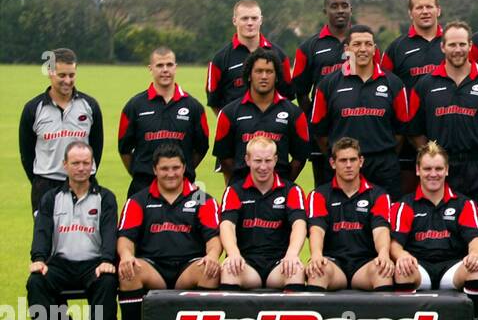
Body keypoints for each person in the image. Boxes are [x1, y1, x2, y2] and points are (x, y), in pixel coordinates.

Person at [116, 144, 222, 320]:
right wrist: (126, 256)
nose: (171, 173)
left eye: (175, 167)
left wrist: (212, 256)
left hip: (188, 267)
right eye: (164, 168)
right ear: (154, 169)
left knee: (210, 270)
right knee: (129, 270)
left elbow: (214, 237)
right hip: (153, 268)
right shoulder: (139, 199)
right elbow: (125, 237)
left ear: (184, 168)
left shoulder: (202, 198)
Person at [405, 20, 478, 205]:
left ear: (470, 45)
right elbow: (414, 132)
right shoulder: (425, 84)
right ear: (442, 47)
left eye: (462, 44)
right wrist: (434, 158)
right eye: (452, 44)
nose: (458, 49)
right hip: (440, 171)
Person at [28, 141, 118, 320]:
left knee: (107, 279)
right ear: (65, 165)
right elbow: (42, 231)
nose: (81, 168)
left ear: (93, 165)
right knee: (36, 280)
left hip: (93, 263)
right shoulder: (51, 198)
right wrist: (39, 258)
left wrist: (107, 259)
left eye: (86, 163)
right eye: (75, 163)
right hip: (60, 263)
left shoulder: (105, 197)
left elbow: (109, 232)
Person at [389, 144, 478, 320]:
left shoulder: (463, 203)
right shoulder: (405, 205)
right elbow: (395, 244)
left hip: (452, 268)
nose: (433, 174)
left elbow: (475, 239)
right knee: (402, 269)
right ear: (417, 170)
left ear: (447, 170)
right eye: (427, 169)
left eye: (438, 169)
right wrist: (402, 255)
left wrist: (475, 254)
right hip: (420, 268)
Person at [310, 24, 412, 196]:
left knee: (385, 220)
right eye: (357, 44)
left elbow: (401, 130)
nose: (363, 49)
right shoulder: (328, 84)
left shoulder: (393, 83)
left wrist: (381, 152)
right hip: (344, 166)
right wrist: (340, 156)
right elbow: (320, 132)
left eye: (368, 44)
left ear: (374, 49)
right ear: (347, 49)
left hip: (383, 169)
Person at [304, 138, 400, 291]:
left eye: (353, 160)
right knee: (317, 271)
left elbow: (381, 230)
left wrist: (383, 254)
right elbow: (317, 230)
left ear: (361, 161)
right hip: (333, 263)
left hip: (365, 264)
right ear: (332, 163)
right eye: (343, 160)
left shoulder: (378, 195)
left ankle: (382, 315)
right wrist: (316, 254)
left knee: (383, 271)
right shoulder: (319, 195)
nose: (348, 165)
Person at [217, 136, 309, 290]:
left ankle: (286, 315)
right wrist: (233, 253)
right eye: (257, 161)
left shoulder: (292, 190)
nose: (263, 167)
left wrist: (292, 254)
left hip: (279, 263)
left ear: (275, 160)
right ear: (247, 160)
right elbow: (227, 226)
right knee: (229, 270)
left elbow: (299, 225)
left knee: (296, 271)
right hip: (246, 263)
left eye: (268, 161)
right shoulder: (234, 191)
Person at [20, 48, 104, 214]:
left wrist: (83, 173)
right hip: (46, 186)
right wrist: (40, 180)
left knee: (83, 237)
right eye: (62, 75)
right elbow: (27, 154)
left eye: (71, 75)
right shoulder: (33, 109)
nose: (67, 80)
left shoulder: (90, 106)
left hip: (83, 183)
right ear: (50, 72)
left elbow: (96, 147)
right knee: (46, 239)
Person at [118, 47, 210, 197]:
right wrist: (141, 171)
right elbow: (124, 149)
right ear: (150, 69)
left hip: (183, 187)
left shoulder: (193, 107)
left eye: (169, 65)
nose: (165, 70)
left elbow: (201, 148)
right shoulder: (134, 106)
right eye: (160, 66)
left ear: (176, 67)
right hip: (143, 187)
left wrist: (178, 172)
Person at [381, 0, 447, 195]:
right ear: (410, 13)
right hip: (409, 138)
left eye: (429, 6)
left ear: (438, 10)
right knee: (409, 199)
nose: (425, 11)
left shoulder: (454, 45)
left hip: (447, 130)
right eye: (419, 7)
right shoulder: (397, 48)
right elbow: (383, 89)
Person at [212, 47, 311, 185]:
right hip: (242, 192)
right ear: (249, 75)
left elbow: (300, 157)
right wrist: (240, 183)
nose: (264, 76)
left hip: (280, 192)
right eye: (258, 71)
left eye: (269, 72)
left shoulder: (294, 113)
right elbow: (224, 157)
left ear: (277, 76)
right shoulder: (229, 113)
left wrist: (283, 183)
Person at [291, 0, 352, 187]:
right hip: (323, 132)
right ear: (325, 10)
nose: (340, 10)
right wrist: (314, 117)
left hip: (357, 123)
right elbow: (300, 90)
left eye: (345, 5)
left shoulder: (363, 43)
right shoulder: (309, 46)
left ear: (351, 9)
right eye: (334, 6)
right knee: (325, 186)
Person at [205, 0, 292, 113]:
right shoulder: (220, 59)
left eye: (254, 18)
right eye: (245, 18)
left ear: (261, 20)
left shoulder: (279, 55)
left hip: (271, 129)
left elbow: (287, 96)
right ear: (234, 20)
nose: (250, 23)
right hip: (236, 129)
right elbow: (214, 101)